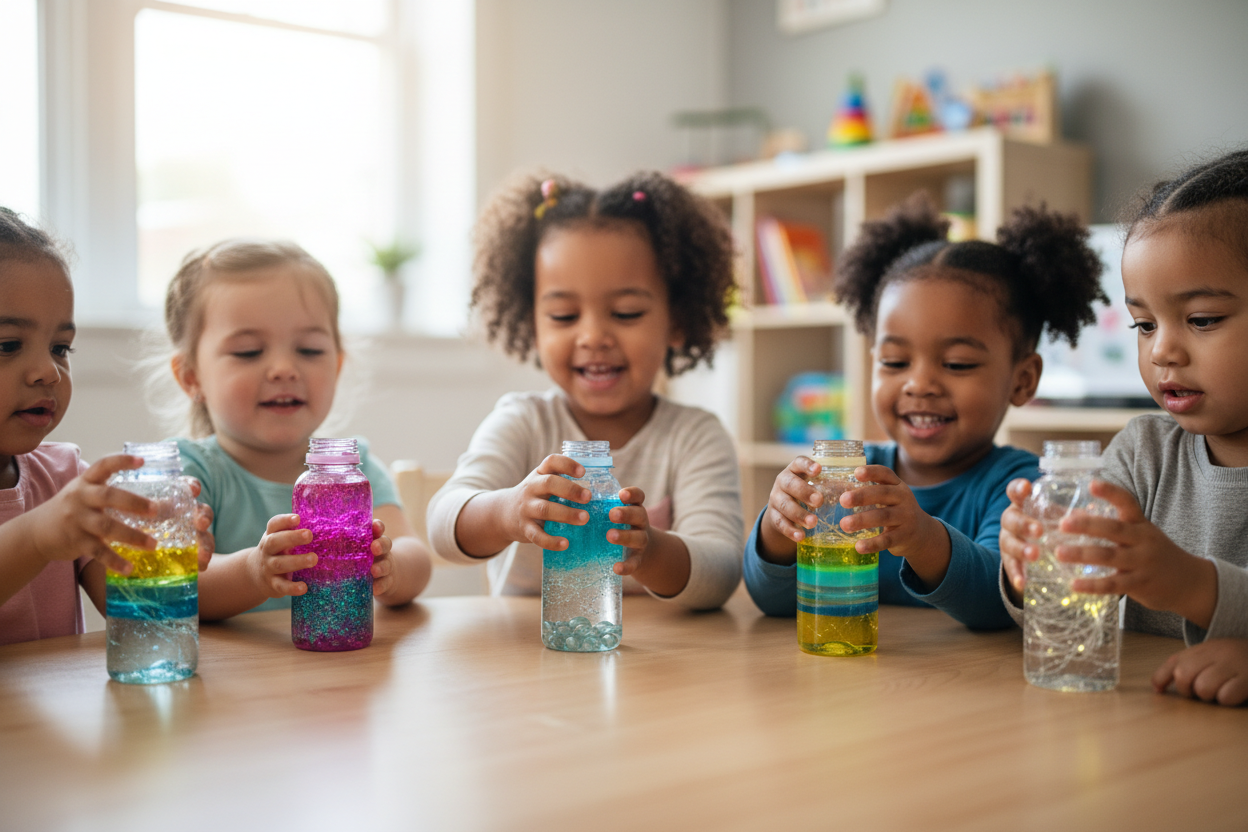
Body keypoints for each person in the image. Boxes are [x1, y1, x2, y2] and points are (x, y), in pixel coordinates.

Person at [745, 195, 1106, 629]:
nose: (919, 384)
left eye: (957, 364)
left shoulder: (1023, 490)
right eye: (895, 362)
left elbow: (999, 604)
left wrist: (921, 536)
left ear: (1022, 380)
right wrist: (779, 528)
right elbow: (774, 602)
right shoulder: (849, 479)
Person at [999, 149, 1248, 706]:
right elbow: (1069, 610)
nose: (1162, 350)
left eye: (1202, 319)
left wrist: (1192, 584)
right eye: (1144, 324)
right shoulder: (1142, 455)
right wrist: (1030, 564)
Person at [426, 172, 742, 609]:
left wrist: (650, 551)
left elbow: (723, 571)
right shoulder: (523, 422)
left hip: (662, 666)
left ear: (677, 320)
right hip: (527, 662)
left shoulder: (695, 437)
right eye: (563, 316)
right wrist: (506, 511)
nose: (593, 335)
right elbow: (443, 524)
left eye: (626, 313)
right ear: (530, 323)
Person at [160, 239, 431, 620]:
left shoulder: (353, 471)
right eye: (248, 352)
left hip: (336, 669)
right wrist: (253, 573)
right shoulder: (190, 476)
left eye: (309, 350)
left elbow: (414, 554)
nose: (284, 368)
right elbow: (173, 586)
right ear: (191, 377)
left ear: (336, 366)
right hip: (230, 677)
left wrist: (391, 568)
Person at [0, 208, 211, 645]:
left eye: (61, 347)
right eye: (7, 345)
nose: (48, 372)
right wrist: (37, 537)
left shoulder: (65, 479)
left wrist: (162, 553)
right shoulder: (58, 512)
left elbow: (139, 611)